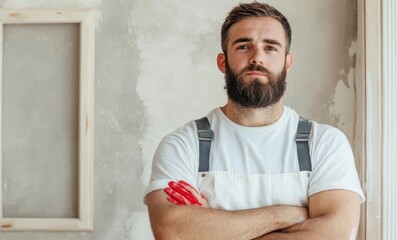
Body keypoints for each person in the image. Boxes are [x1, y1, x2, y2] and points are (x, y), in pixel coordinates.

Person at [144, 1, 365, 239]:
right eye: (243, 46)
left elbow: (337, 234)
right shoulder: (184, 145)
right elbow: (172, 231)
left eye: (270, 48)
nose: (257, 57)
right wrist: (287, 214)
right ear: (222, 62)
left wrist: (213, 230)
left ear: (287, 63)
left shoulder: (324, 143)